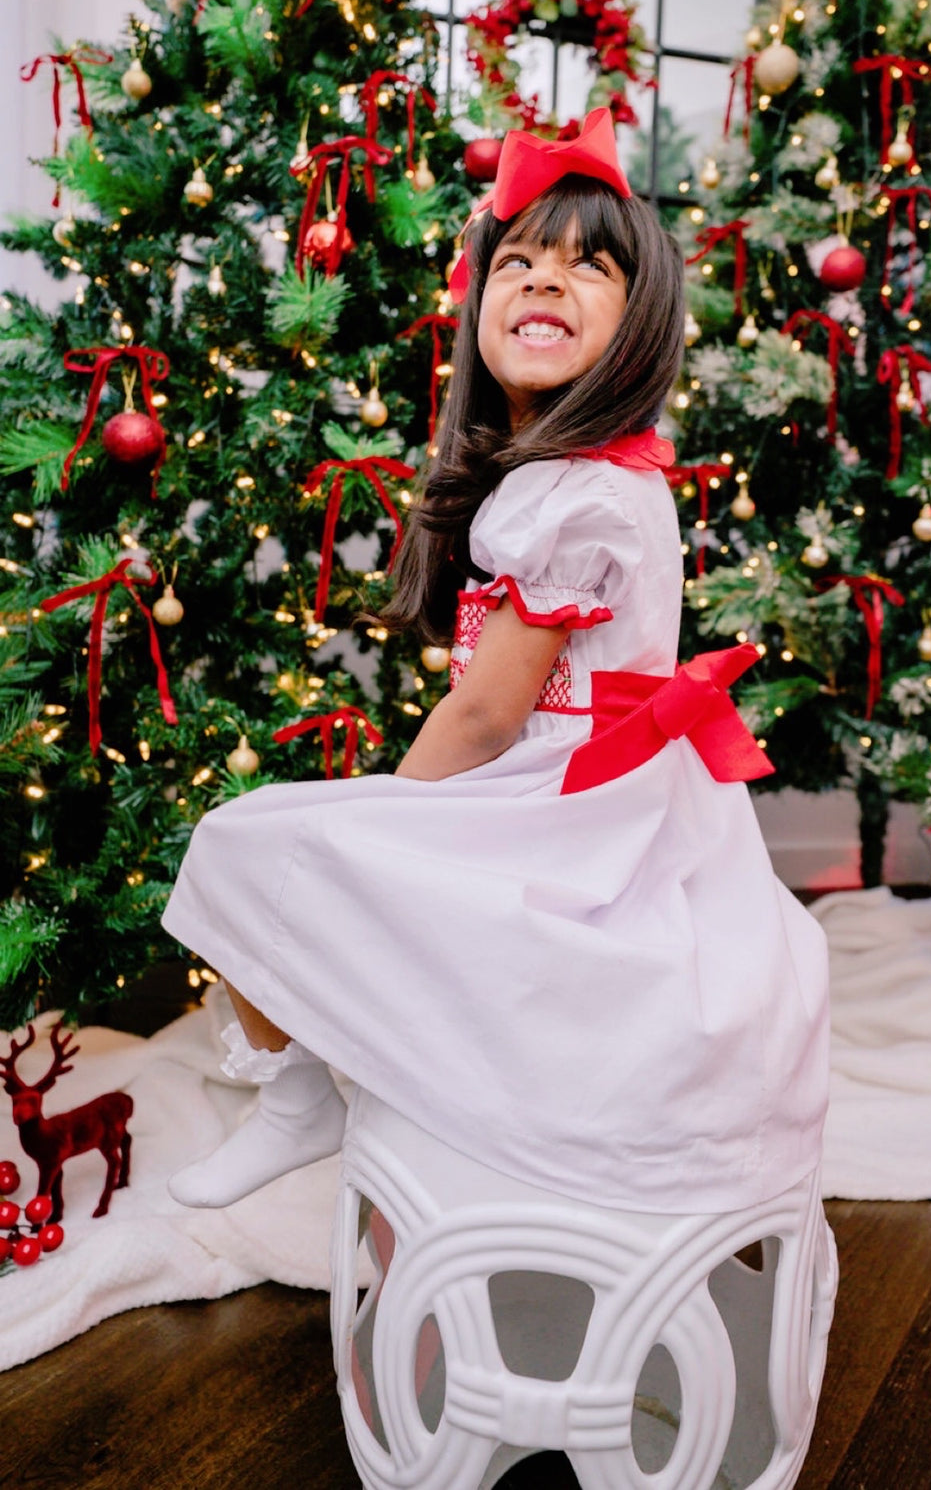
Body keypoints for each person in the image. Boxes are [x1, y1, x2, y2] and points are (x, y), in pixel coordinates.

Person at [163, 107, 830, 1215]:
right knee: (277, 844)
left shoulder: (577, 495)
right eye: (516, 263)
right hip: (592, 787)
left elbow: (486, 716)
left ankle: (295, 1095)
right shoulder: (588, 477)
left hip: (582, 806)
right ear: (479, 312)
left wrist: (392, 815)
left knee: (243, 842)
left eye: (586, 268)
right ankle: (312, 1095)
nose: (542, 283)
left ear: (643, 320)